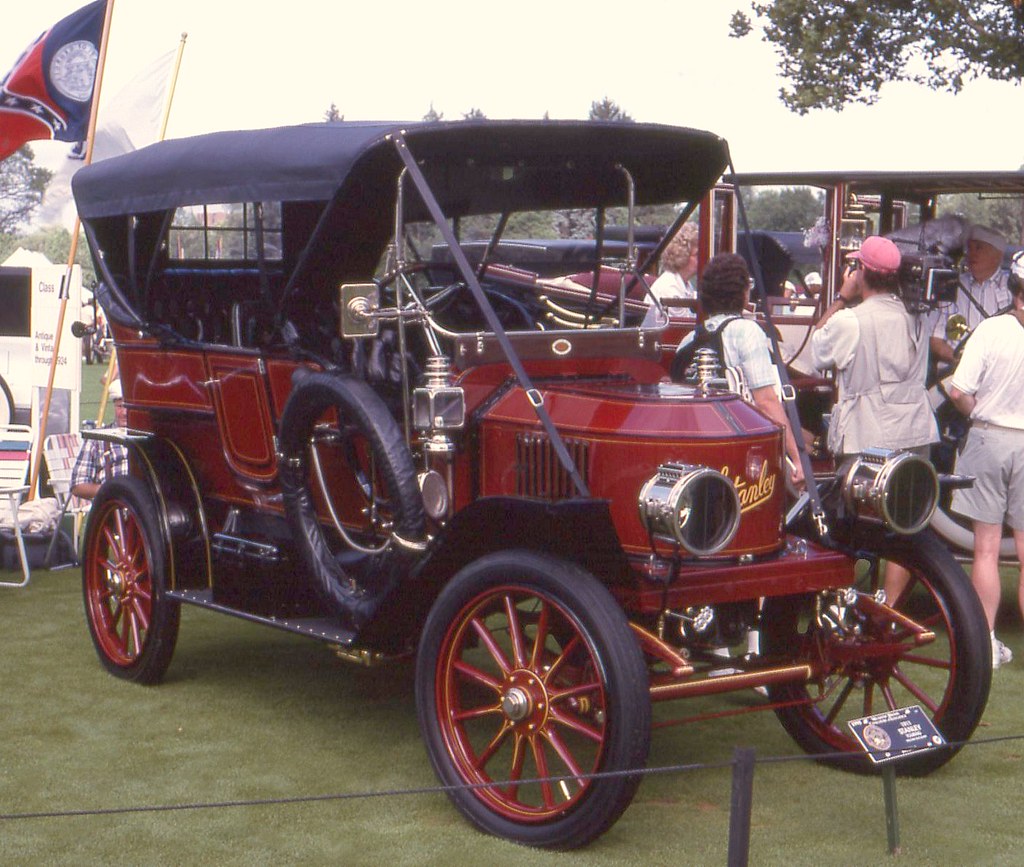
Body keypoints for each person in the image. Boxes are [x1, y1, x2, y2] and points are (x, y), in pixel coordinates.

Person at [810, 235, 938, 601]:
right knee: (905, 523)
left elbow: (816, 351)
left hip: (870, 436)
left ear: (861, 271)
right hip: (914, 430)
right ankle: (890, 604)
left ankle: (845, 601)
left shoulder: (851, 319)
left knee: (849, 525)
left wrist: (841, 296)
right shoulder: (916, 319)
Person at [947, 250, 1024, 668]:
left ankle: (987, 642)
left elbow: (958, 391)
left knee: (986, 550)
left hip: (989, 437)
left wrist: (976, 410)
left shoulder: (992, 330)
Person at [675, 252, 804, 487]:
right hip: (738, 451)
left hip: (697, 450)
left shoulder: (688, 340)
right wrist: (797, 457)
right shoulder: (748, 331)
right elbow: (765, 401)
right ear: (743, 292)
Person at [931, 224, 1012, 364]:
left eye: (979, 248)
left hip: (999, 374)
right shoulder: (952, 286)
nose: (971, 254)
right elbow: (935, 340)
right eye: (969, 248)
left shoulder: (1013, 289)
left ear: (997, 256)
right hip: (955, 371)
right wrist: (963, 364)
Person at [70, 380, 129, 500]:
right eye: (120, 406)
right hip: (112, 508)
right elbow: (78, 485)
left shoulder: (150, 438)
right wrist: (110, 490)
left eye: (128, 407)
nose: (124, 412)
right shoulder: (98, 438)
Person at [649, 222, 699, 305]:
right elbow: (682, 318)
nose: (702, 257)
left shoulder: (685, 284)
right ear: (682, 255)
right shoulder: (670, 288)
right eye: (697, 254)